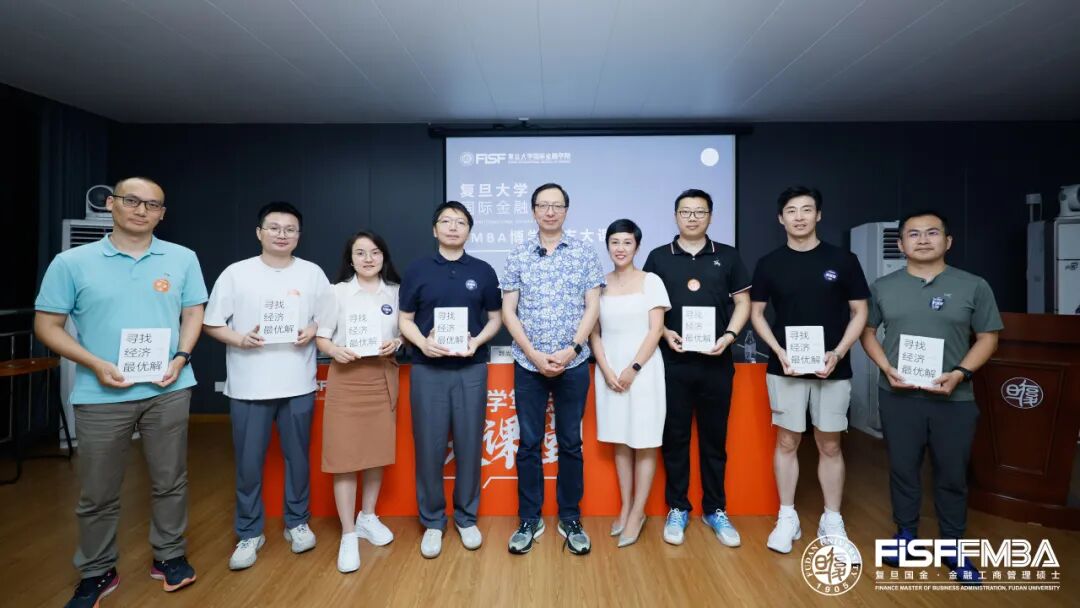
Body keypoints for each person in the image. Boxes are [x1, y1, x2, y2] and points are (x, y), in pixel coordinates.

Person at [35, 177, 206, 607]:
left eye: (153, 205)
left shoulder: (182, 258)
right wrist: (94, 363)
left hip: (169, 387)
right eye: (132, 201)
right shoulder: (71, 262)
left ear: (162, 214)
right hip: (100, 393)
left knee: (171, 479)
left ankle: (169, 555)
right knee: (98, 490)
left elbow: (193, 313)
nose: (141, 210)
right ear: (111, 204)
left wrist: (181, 357)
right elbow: (47, 326)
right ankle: (97, 570)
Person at [860, 210, 1001, 585]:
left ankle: (953, 545)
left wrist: (960, 373)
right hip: (899, 395)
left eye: (932, 233)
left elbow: (988, 337)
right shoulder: (883, 286)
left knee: (952, 473)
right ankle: (906, 534)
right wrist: (886, 368)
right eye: (914, 234)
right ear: (901, 244)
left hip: (955, 399)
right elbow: (868, 332)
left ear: (948, 241)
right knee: (903, 468)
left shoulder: (973, 286)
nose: (923, 240)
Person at [203, 202, 330, 571]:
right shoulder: (236, 273)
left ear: (299, 236)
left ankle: (297, 522)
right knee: (248, 464)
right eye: (274, 227)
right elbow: (212, 322)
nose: (281, 234)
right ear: (259, 232)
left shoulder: (312, 273)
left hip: (298, 383)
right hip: (249, 386)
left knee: (298, 459)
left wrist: (313, 330)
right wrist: (239, 339)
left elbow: (328, 317)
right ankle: (249, 532)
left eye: (290, 229)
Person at [748, 187, 869, 554]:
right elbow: (756, 313)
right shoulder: (769, 263)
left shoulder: (843, 260)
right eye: (791, 210)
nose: (799, 217)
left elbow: (860, 312)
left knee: (829, 443)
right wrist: (778, 351)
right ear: (780, 218)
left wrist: (839, 352)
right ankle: (787, 516)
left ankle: (832, 519)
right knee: (787, 441)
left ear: (818, 215)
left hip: (832, 367)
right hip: (785, 367)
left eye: (806, 209)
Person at [643, 188, 751, 547]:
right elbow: (649, 308)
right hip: (672, 364)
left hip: (716, 363)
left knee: (714, 441)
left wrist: (730, 336)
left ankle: (715, 508)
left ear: (710, 216)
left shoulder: (728, 256)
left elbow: (743, 303)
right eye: (686, 212)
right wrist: (665, 332)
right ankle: (678, 507)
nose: (692, 217)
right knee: (674, 439)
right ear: (675, 216)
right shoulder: (659, 257)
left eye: (699, 212)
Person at [502, 183, 604, 556]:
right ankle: (529, 518)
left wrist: (572, 348)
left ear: (566, 210)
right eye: (543, 205)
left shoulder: (583, 252)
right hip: (528, 365)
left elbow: (593, 306)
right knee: (529, 443)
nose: (550, 211)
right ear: (533, 211)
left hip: (573, 363)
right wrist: (532, 353)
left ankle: (570, 517)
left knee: (570, 443)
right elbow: (508, 311)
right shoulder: (518, 254)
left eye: (556, 205)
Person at [398, 202, 502, 559]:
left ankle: (466, 517)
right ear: (435, 229)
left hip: (471, 368)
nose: (453, 227)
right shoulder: (418, 269)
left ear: (469, 230)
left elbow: (495, 318)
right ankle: (432, 521)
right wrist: (422, 343)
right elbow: (405, 319)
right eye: (446, 221)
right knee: (429, 446)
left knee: (470, 444)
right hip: (428, 370)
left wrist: (476, 341)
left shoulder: (483, 271)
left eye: (460, 222)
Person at [315, 230, 403, 573]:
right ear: (350, 259)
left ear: (384, 257)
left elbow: (402, 332)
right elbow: (322, 337)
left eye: (375, 252)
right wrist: (334, 350)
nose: (368, 258)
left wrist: (397, 343)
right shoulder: (336, 292)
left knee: (375, 453)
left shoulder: (395, 291)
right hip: (347, 378)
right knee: (345, 457)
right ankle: (348, 533)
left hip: (382, 376)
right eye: (360, 253)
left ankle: (368, 517)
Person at [589, 219, 670, 548]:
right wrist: (607, 369)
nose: (620, 248)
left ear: (637, 246)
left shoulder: (651, 281)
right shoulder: (599, 284)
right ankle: (625, 507)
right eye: (614, 242)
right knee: (620, 439)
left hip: (643, 369)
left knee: (645, 440)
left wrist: (632, 368)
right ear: (607, 246)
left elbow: (656, 330)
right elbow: (594, 332)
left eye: (627, 242)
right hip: (609, 371)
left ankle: (638, 513)